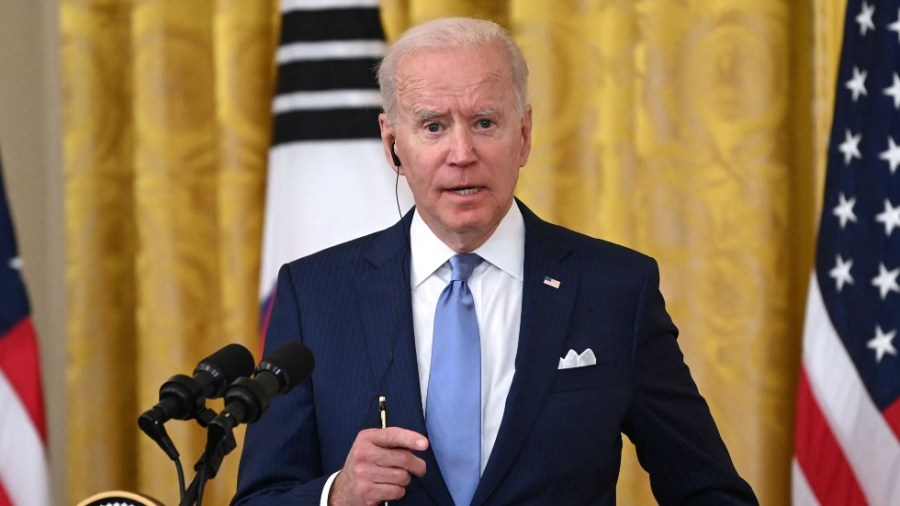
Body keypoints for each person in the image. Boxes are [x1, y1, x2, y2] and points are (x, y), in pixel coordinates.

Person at [232, 17, 757, 506]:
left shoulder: (616, 288)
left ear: (524, 135)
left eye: (485, 122)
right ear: (393, 146)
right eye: (433, 127)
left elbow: (708, 490)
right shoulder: (314, 293)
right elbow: (258, 498)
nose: (462, 153)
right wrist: (335, 495)